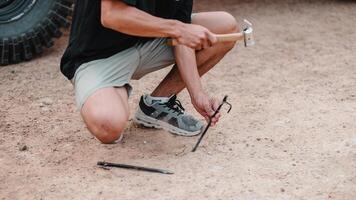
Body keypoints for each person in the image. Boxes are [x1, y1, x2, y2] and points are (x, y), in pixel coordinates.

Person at [60, 0, 239, 144]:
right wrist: (177, 28)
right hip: (98, 56)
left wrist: (197, 93)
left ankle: (157, 104)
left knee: (225, 25)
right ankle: (109, 93)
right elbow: (112, 14)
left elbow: (181, 33)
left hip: (149, 42)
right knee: (108, 126)